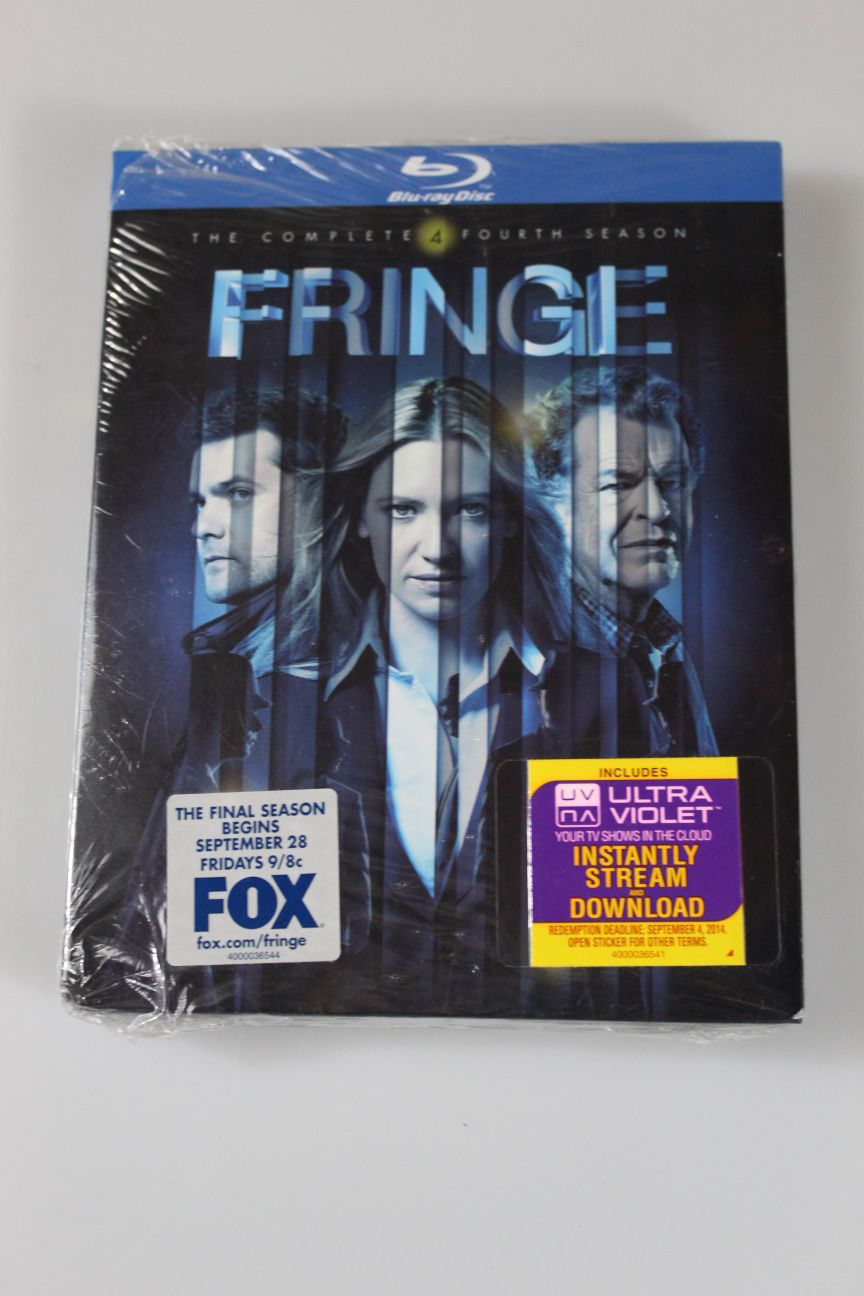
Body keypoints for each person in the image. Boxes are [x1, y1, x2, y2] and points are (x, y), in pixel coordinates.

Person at [317, 376, 568, 1012]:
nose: (438, 549)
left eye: (471, 510)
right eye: (403, 510)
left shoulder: (601, 694)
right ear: (360, 520)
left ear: (509, 520)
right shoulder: (277, 703)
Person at [115, 383, 358, 1015]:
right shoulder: (231, 665)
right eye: (200, 501)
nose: (204, 526)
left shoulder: (335, 680)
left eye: (239, 494)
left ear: (321, 500)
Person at [529, 364, 717, 758]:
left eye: (672, 482)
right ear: (551, 499)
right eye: (618, 484)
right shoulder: (533, 655)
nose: (658, 509)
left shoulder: (663, 642)